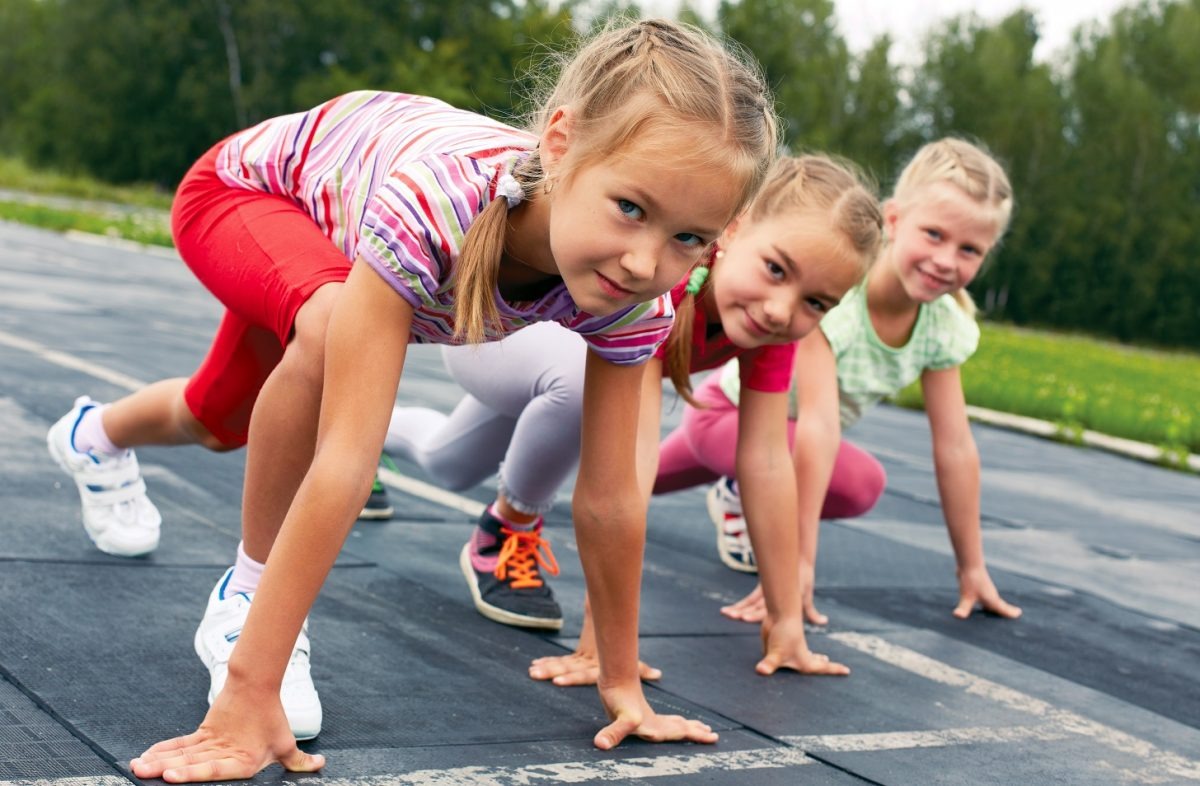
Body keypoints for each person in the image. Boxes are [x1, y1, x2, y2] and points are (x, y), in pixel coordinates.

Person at [65, 19, 778, 784]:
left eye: (689, 239)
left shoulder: (636, 299)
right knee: (325, 328)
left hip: (330, 247)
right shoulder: (441, 205)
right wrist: (251, 688)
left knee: (215, 419)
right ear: (561, 143)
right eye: (630, 207)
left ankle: (93, 435)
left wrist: (622, 680)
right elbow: (347, 459)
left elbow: (609, 499)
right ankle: (246, 603)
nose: (644, 262)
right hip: (246, 196)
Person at [387, 155, 882, 682]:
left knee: (448, 462)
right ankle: (508, 526)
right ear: (735, 230)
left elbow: (766, 462)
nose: (782, 309)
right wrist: (600, 645)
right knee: (585, 391)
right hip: (492, 336)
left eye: (816, 303)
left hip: (546, 371)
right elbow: (629, 470)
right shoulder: (661, 284)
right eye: (776, 269)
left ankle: (378, 434)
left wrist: (786, 623)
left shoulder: (772, 330)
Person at [695, 138, 1023, 628]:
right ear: (893, 220)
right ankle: (738, 491)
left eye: (969, 249)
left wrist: (972, 567)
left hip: (774, 438)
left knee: (859, 485)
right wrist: (796, 562)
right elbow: (819, 425)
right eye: (934, 234)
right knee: (849, 476)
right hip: (729, 416)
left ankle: (733, 490)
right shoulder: (835, 297)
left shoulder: (942, 326)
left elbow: (955, 447)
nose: (946, 260)